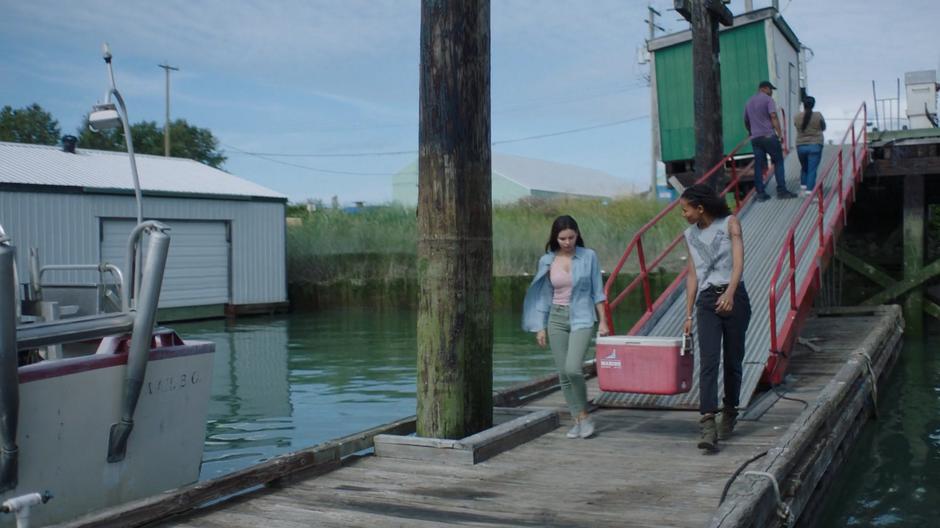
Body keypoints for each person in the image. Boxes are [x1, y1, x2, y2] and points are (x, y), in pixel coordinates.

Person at [522, 215, 608, 439]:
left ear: (577, 235)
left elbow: (598, 292)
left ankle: (586, 416)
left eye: (571, 237)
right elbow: (543, 296)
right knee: (563, 373)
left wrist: (604, 322)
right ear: (555, 238)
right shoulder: (547, 260)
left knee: (573, 368)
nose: (567, 242)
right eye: (562, 238)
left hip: (582, 317)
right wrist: (540, 327)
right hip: (556, 319)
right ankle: (577, 419)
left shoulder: (589, 256)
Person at [680, 184, 751, 452]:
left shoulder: (730, 224)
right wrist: (688, 313)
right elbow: (692, 275)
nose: (683, 214)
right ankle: (707, 423)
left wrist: (731, 293)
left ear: (700, 208)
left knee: (733, 360)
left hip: (734, 296)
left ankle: (730, 412)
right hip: (707, 301)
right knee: (708, 361)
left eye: (686, 209)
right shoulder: (689, 235)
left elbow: (738, 262)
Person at [744, 80, 797, 202]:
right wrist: (779, 133)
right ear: (763, 88)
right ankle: (782, 191)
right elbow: (773, 116)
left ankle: (760, 193)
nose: (771, 92)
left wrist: (752, 131)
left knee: (758, 165)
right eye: (770, 89)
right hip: (768, 136)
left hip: (756, 138)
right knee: (778, 161)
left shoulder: (749, 102)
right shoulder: (768, 100)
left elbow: (746, 121)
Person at [794, 96, 826, 197]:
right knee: (812, 169)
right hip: (815, 145)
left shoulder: (797, 116)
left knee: (804, 168)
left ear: (803, 104)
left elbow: (796, 126)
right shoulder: (818, 115)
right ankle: (809, 191)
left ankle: (803, 189)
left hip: (801, 146)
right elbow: (823, 127)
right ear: (813, 104)